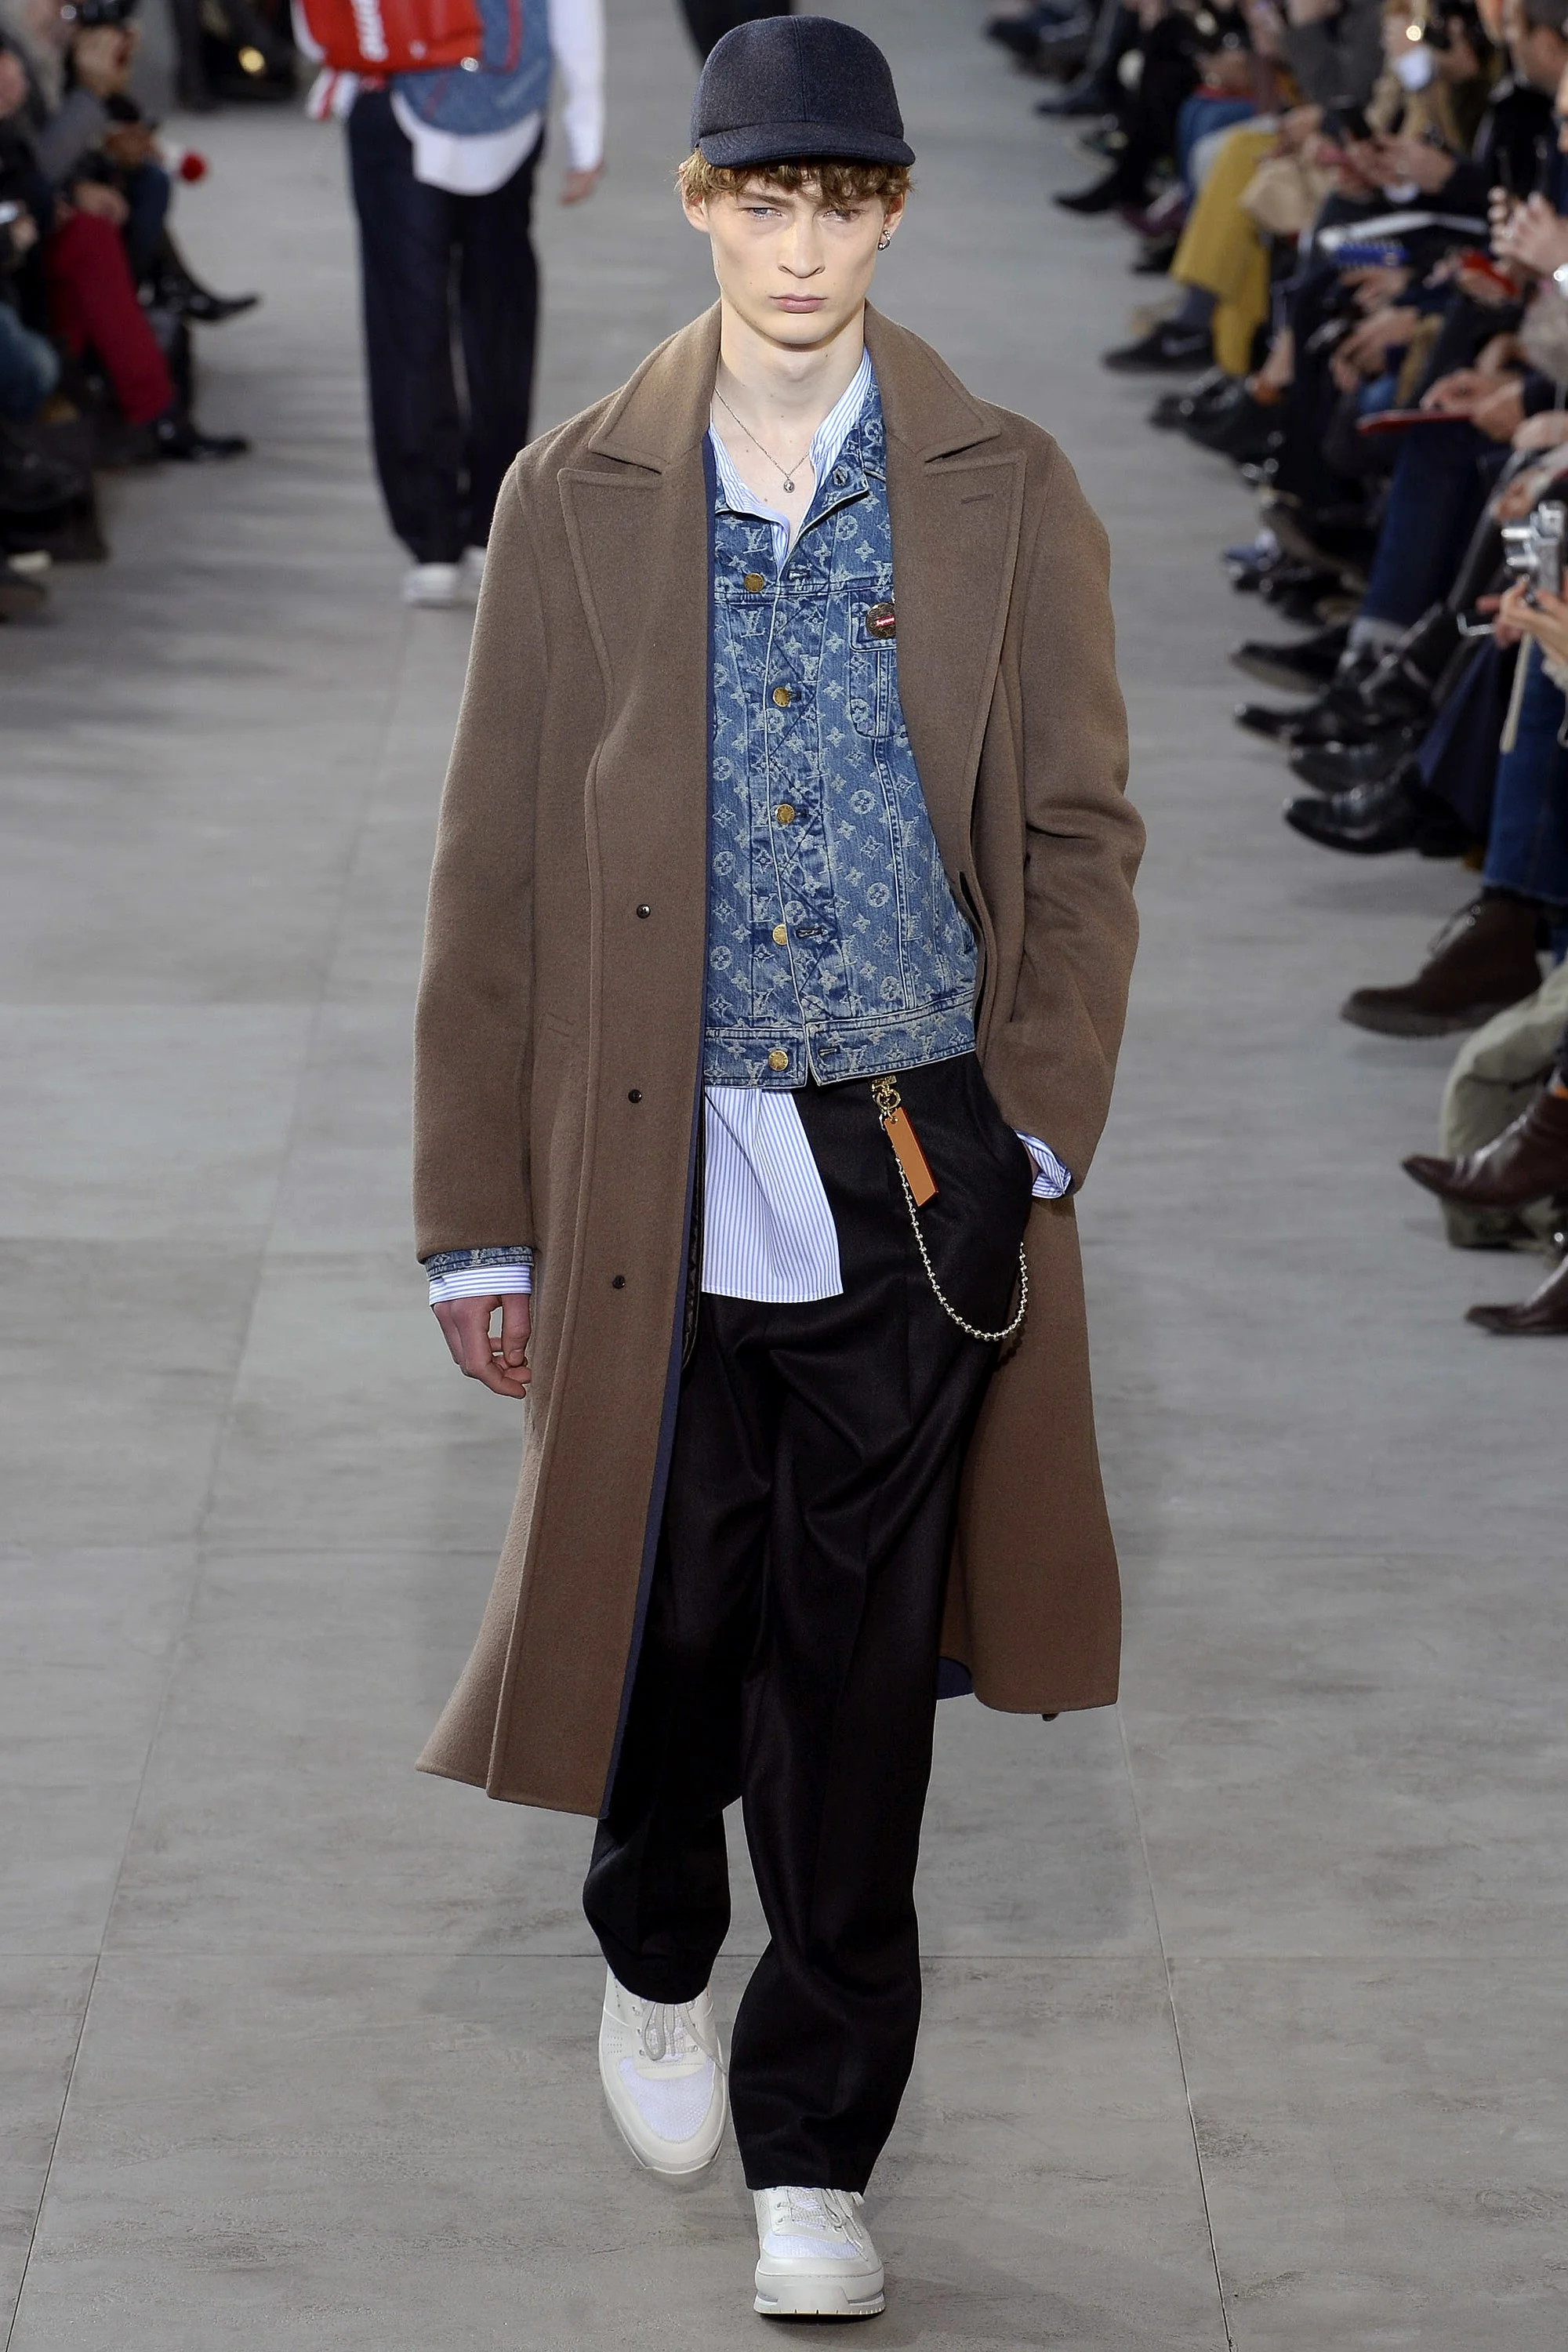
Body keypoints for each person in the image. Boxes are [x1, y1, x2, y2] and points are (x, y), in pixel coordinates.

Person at [410, 13, 1143, 2321]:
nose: (801, 244)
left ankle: (815, 2147)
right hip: (644, 1154)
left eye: (840, 202)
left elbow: (1075, 828)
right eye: (763, 199)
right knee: (670, 1618)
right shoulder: (574, 493)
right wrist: (475, 1219)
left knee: (851, 1672)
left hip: (910, 1168)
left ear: (889, 213)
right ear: (701, 204)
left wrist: (1031, 1119)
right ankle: (653, 1938)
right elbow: (491, 876)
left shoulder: (1005, 485)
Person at [340, 0, 604, 607]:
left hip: (398, 96)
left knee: (407, 319)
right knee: (500, 313)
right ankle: (492, 523)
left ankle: (432, 542)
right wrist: (585, 127)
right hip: (510, 101)